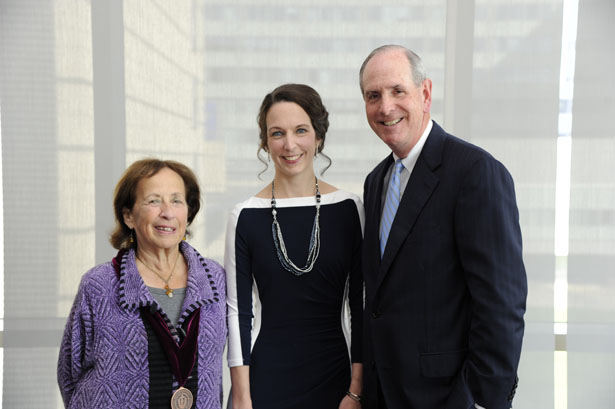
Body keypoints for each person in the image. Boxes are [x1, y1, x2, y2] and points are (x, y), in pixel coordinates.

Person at [359, 45, 527, 409]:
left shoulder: (475, 172)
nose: (385, 107)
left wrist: (479, 400)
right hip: (383, 396)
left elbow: (501, 304)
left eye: (397, 91)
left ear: (425, 93)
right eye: (373, 96)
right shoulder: (376, 182)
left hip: (449, 398)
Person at [225, 83, 364, 409]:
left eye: (300, 130)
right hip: (266, 381)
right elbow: (238, 313)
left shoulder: (348, 208)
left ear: (318, 137)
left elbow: (360, 307)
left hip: (336, 378)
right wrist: (242, 398)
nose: (289, 144)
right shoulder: (245, 215)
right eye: (277, 133)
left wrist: (356, 390)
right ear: (265, 142)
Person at [57, 159, 227, 409]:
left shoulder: (215, 279)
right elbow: (69, 372)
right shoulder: (99, 285)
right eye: (154, 201)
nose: (167, 212)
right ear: (129, 216)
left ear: (188, 213)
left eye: (177, 200)